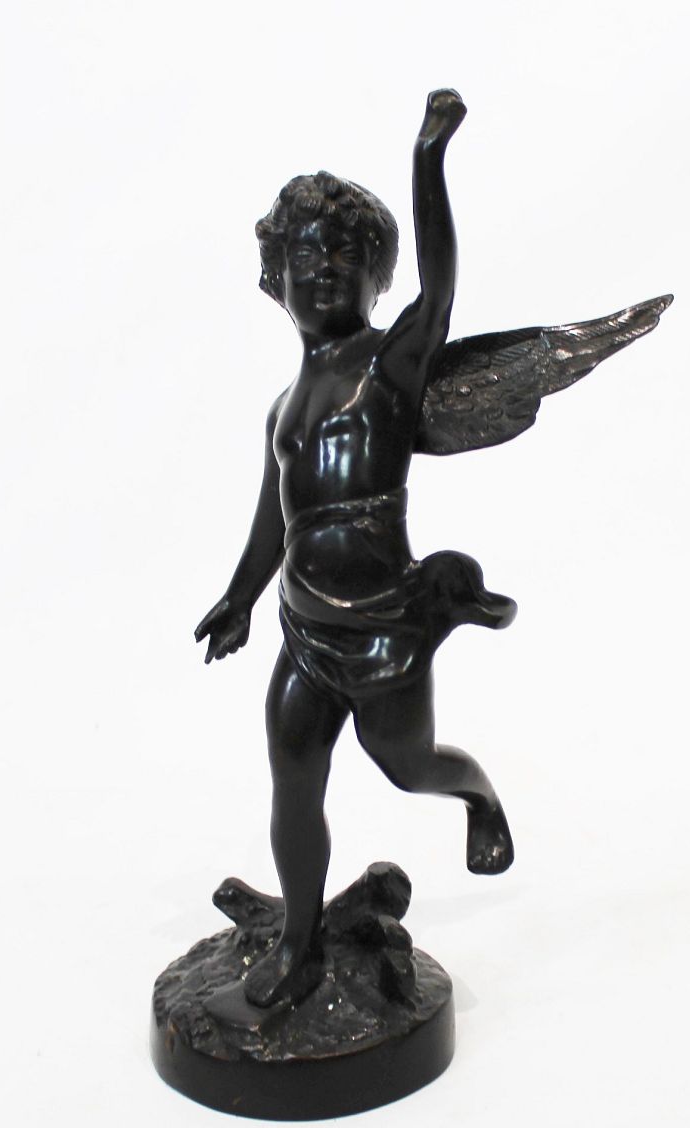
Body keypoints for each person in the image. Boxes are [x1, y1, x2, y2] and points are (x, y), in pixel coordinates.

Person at [195, 89, 517, 1009]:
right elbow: (276, 521)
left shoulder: (388, 367)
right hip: (304, 630)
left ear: (377, 277)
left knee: (407, 765)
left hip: (383, 630)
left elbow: (440, 293)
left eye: (347, 255)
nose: (326, 269)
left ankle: (479, 795)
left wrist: (428, 159)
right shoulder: (284, 408)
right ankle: (299, 940)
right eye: (306, 257)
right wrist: (240, 598)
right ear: (273, 280)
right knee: (294, 776)